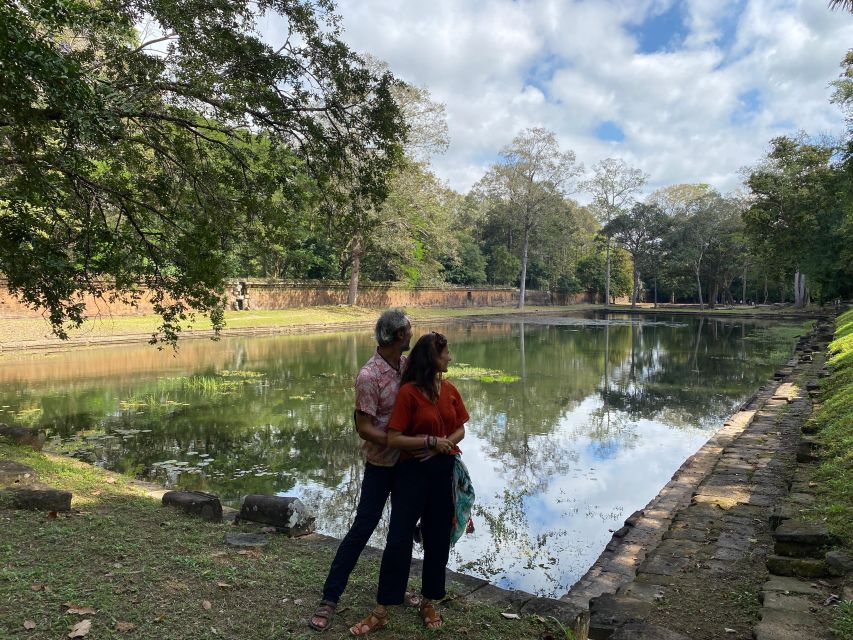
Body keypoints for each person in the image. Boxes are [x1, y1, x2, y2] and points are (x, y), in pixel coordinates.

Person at [349, 331, 469, 635]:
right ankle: (382, 608)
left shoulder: (450, 390)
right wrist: (429, 442)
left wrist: (443, 444)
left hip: (442, 475)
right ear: (433, 360)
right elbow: (393, 437)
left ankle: (429, 601)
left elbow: (460, 431)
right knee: (398, 539)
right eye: (445, 355)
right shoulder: (409, 394)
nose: (450, 358)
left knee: (437, 538)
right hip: (411, 473)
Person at [309, 309, 414, 632]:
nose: (412, 334)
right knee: (362, 529)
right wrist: (398, 442)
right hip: (381, 464)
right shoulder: (370, 376)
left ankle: (395, 593)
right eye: (409, 330)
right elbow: (364, 427)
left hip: (407, 465)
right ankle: (330, 598)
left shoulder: (406, 367)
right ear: (399, 336)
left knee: (402, 532)